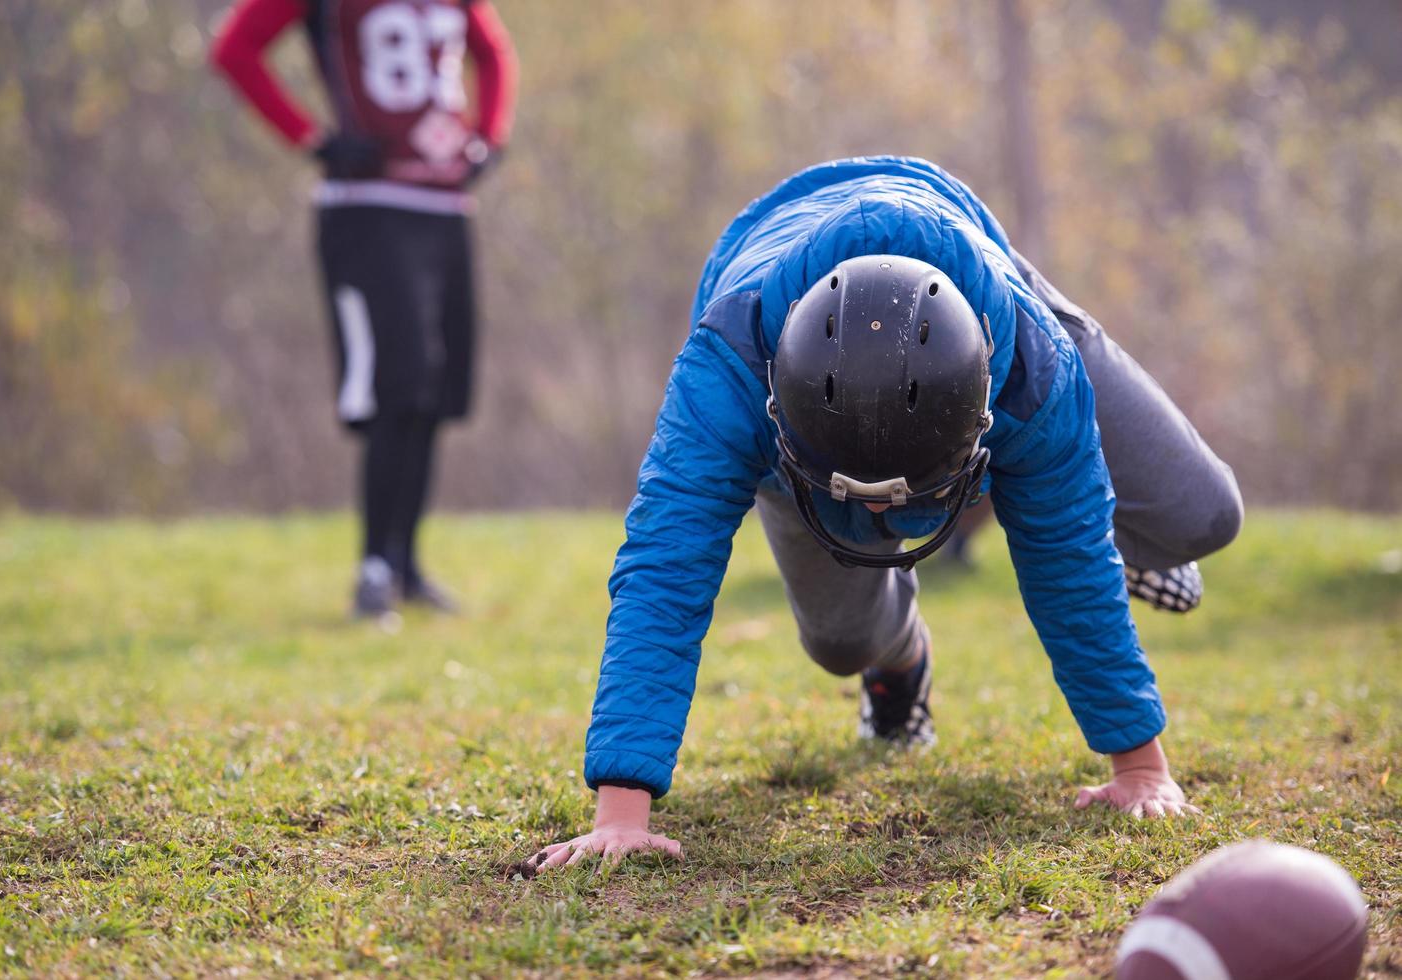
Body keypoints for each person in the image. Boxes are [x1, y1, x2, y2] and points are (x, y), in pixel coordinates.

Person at [531, 156, 1243, 871]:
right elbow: (664, 571)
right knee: (842, 644)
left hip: (977, 268)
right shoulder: (727, 375)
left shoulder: (1032, 373)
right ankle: (903, 655)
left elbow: (1068, 558)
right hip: (780, 358)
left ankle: (1107, 520)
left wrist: (1140, 768)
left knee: (1202, 515)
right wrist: (621, 810)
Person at [211, 0, 517, 617]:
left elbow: (494, 53)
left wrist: (490, 135)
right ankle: (373, 566)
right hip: (368, 209)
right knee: (395, 386)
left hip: (444, 209)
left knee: (435, 390)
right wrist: (313, 140)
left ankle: (406, 564)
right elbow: (234, 50)